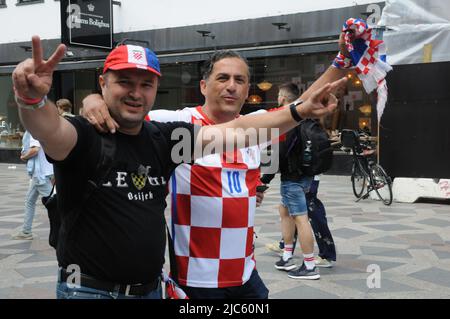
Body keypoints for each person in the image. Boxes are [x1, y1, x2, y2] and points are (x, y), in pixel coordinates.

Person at [12, 35, 345, 299]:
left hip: (170, 286)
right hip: (96, 289)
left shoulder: (165, 138)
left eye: (145, 84)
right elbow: (50, 130)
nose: (135, 93)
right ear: (104, 82)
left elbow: (242, 132)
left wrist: (317, 92)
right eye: (124, 82)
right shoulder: (91, 135)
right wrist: (33, 101)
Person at [260, 83, 320, 280]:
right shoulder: (304, 117)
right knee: (284, 210)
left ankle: (310, 266)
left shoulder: (286, 119)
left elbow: (278, 154)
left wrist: (264, 179)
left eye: (278, 94)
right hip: (305, 176)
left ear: (284, 98)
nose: (277, 97)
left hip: (292, 178)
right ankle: (287, 256)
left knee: (301, 219)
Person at [12, 130, 53, 240]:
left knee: (54, 205)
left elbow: (35, 149)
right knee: (30, 201)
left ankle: (71, 230)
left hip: (39, 174)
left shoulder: (33, 130)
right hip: (42, 172)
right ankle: (26, 231)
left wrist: (24, 157)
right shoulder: (42, 127)